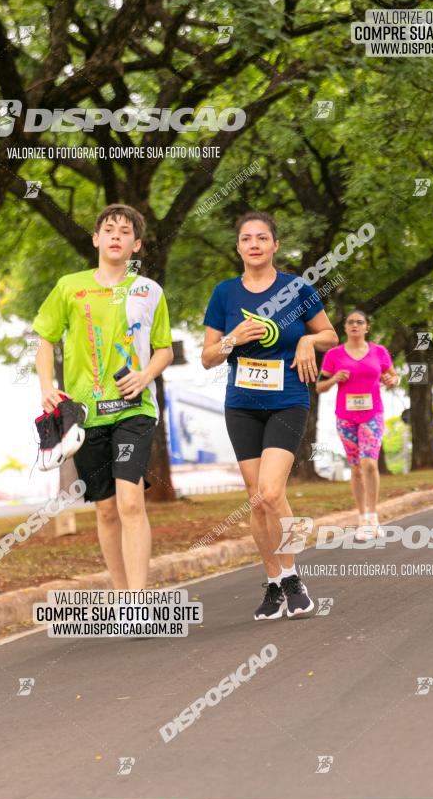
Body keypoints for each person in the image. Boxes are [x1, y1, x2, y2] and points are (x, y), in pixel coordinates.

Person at [202, 211, 338, 621]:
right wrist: (231, 338)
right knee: (257, 501)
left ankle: (294, 576)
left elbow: (329, 334)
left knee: (273, 492)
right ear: (239, 247)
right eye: (247, 238)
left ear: (276, 245)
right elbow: (209, 357)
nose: (255, 244)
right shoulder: (224, 294)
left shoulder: (297, 288)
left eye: (263, 237)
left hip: (288, 400)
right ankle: (274, 583)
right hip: (241, 404)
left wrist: (309, 341)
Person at [33, 204, 174, 589]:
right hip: (85, 415)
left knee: (130, 501)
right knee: (108, 509)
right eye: (109, 229)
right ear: (96, 239)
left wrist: (146, 375)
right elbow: (45, 338)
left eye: (125, 231)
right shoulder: (69, 286)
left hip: (135, 410)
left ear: (137, 245)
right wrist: (47, 387)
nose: (116, 236)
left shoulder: (149, 291)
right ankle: (120, 591)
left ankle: (139, 600)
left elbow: (165, 349)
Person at [316, 311, 398, 538]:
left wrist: (392, 380)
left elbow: (393, 376)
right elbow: (319, 387)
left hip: (372, 414)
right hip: (345, 416)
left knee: (369, 463)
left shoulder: (379, 352)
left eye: (359, 322)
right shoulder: (334, 355)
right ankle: (362, 518)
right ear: (345, 328)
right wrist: (334, 379)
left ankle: (373, 516)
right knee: (355, 468)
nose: (355, 325)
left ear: (366, 327)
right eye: (350, 322)